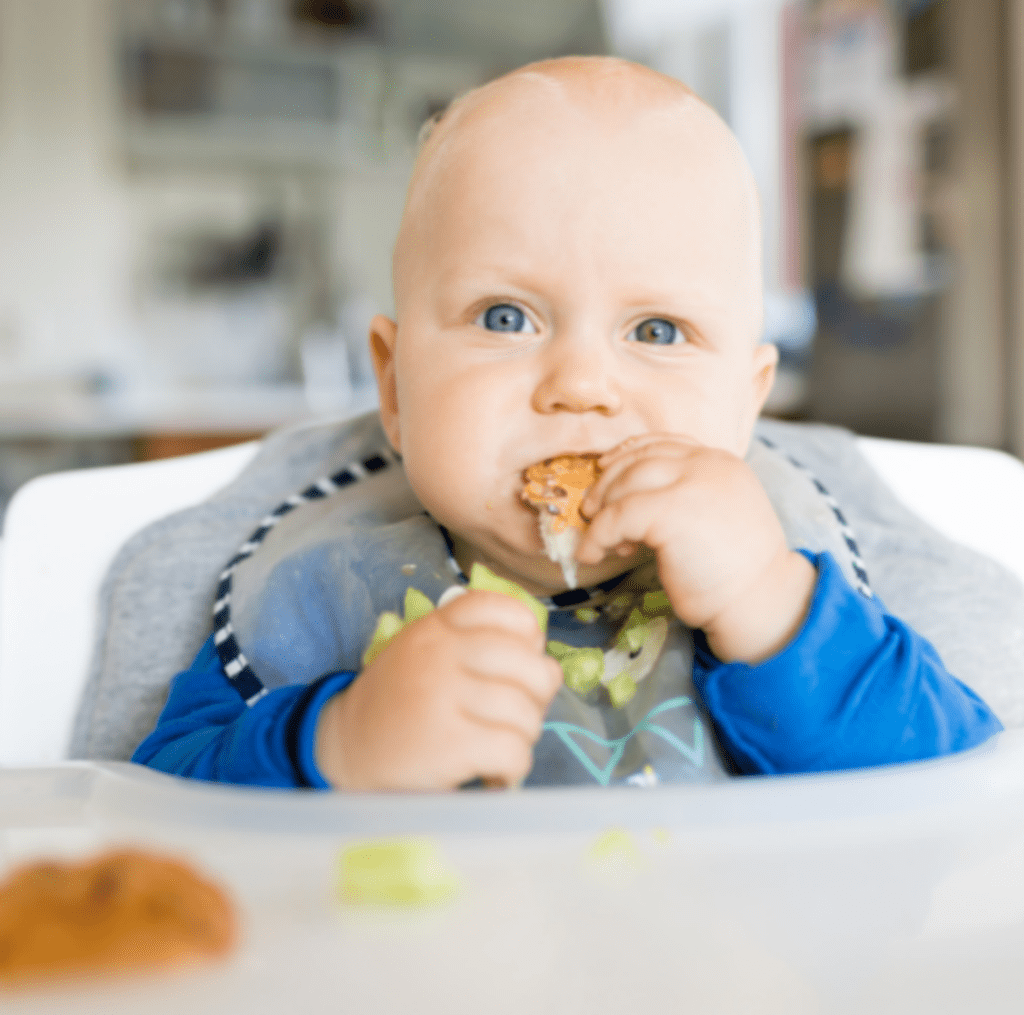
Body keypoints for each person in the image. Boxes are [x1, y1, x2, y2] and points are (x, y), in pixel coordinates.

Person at [131, 56, 1001, 790]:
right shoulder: (322, 590)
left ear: (747, 403)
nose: (581, 385)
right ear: (395, 391)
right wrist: (337, 743)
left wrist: (768, 606)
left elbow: (959, 791)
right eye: (507, 318)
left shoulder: (795, 589)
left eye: (657, 332)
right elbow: (157, 802)